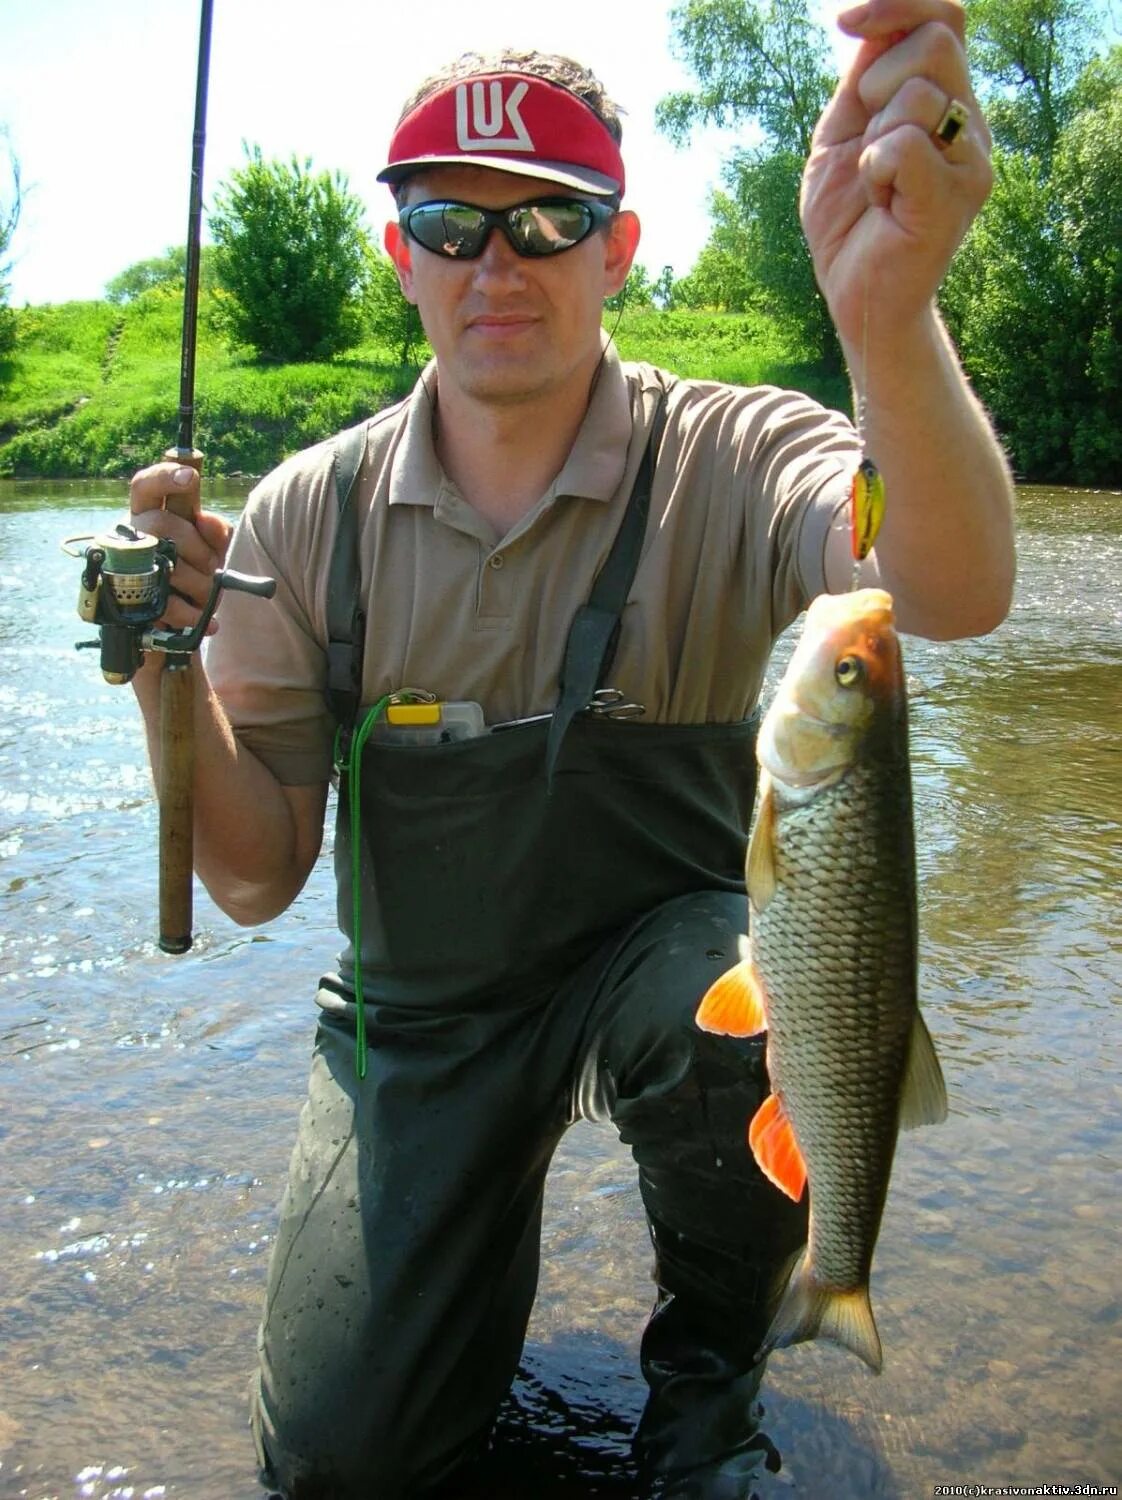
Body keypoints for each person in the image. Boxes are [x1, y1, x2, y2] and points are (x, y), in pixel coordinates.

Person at [129, 3, 1015, 1495]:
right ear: (396, 248)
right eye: (448, 219)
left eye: (550, 219)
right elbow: (259, 877)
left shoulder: (738, 456)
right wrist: (165, 678)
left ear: (618, 247)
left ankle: (711, 1382)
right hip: (419, 1023)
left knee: (735, 1012)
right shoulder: (303, 518)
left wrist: (887, 322)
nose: (497, 262)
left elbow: (939, 582)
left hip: (663, 982)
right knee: (341, 1468)